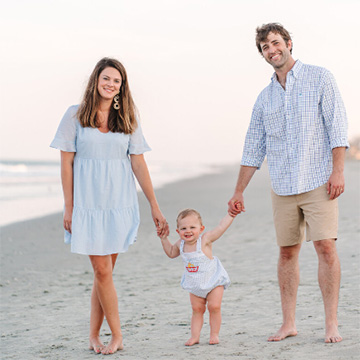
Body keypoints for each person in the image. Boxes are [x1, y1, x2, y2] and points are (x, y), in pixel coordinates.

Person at [228, 23, 348, 343]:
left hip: (318, 180)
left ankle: (331, 324)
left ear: (289, 43)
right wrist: (239, 190)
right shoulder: (264, 98)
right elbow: (254, 147)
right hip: (282, 185)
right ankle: (289, 323)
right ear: (263, 54)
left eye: (276, 43)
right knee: (286, 253)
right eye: (265, 47)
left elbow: (337, 128)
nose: (272, 50)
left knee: (325, 247)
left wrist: (338, 171)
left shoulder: (320, 78)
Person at [50, 57, 168, 355]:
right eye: (106, 78)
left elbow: (138, 163)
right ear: (96, 80)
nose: (111, 84)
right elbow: (66, 164)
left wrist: (154, 205)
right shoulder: (74, 115)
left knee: (104, 274)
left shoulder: (128, 117)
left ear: (121, 86)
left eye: (116, 81)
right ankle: (117, 335)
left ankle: (93, 336)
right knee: (102, 271)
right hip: (88, 206)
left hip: (120, 203)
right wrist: (69, 207)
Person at [158, 208, 237, 346]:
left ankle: (214, 334)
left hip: (214, 281)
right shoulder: (180, 244)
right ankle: (195, 336)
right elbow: (171, 253)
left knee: (214, 307)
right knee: (197, 310)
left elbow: (220, 228)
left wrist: (231, 215)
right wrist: (163, 238)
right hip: (195, 284)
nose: (188, 231)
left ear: (201, 228)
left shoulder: (204, 240)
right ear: (178, 231)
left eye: (192, 227)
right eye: (183, 228)